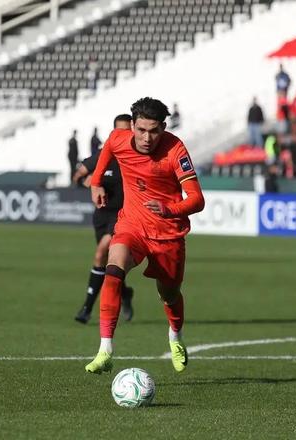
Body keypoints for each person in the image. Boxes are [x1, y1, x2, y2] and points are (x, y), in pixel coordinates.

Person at [84, 97, 205, 375]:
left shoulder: (175, 149)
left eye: (153, 131)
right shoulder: (118, 138)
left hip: (168, 234)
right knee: (113, 270)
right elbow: (107, 149)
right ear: (132, 126)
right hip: (132, 226)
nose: (147, 138)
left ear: (163, 128)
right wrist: (96, 182)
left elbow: (197, 199)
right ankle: (105, 350)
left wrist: (169, 209)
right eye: (141, 130)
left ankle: (175, 336)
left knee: (169, 294)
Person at [72, 114, 135, 324]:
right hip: (101, 216)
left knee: (101, 253)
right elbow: (78, 177)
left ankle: (86, 309)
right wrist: (88, 182)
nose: (123, 136)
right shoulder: (103, 154)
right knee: (110, 263)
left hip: (123, 216)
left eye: (127, 132)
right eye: (119, 132)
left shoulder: (136, 158)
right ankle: (125, 293)